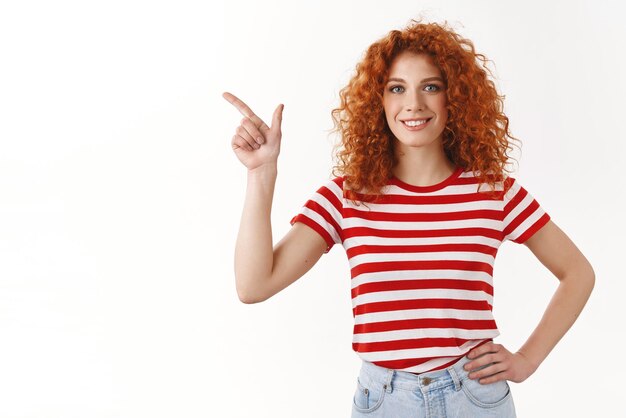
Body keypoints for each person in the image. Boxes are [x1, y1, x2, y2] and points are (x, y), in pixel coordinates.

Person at [224, 18, 595, 418]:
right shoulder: (346, 196)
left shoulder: (494, 192)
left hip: (475, 396)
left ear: (454, 98)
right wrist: (261, 173)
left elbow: (578, 272)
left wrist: (528, 358)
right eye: (397, 88)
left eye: (430, 87)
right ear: (377, 100)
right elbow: (253, 285)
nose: (413, 103)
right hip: (384, 400)